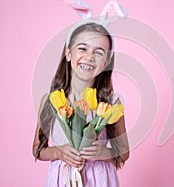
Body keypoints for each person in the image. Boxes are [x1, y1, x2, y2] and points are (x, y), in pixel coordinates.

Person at [32, 21, 130, 187]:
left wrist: (103, 152)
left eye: (99, 52)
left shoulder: (111, 104)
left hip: (99, 180)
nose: (90, 57)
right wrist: (58, 152)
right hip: (62, 180)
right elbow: (37, 150)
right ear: (68, 53)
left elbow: (123, 152)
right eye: (83, 48)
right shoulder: (51, 101)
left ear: (106, 62)